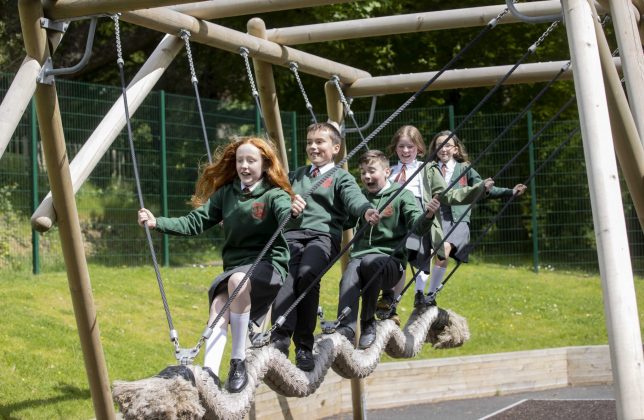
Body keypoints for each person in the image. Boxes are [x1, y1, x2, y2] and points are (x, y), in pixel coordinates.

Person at [137, 136, 298, 393]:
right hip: (237, 268)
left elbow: (286, 218)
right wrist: (158, 223)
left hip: (269, 266)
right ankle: (210, 375)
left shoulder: (274, 195)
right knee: (218, 306)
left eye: (251, 161)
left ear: (266, 165)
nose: (244, 166)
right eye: (239, 161)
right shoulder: (227, 194)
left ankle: (238, 362)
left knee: (237, 282)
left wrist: (293, 212)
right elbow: (194, 222)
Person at [270, 121, 380, 371]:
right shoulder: (296, 176)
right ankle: (279, 338)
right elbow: (274, 198)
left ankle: (304, 346)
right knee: (285, 278)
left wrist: (366, 211)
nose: (313, 147)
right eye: (309, 142)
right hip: (292, 235)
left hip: (322, 237)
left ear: (336, 148)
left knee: (308, 275)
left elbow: (354, 198)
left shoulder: (340, 176)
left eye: (319, 142)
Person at [379, 125, 494, 312]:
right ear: (395, 148)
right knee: (390, 260)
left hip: (415, 224)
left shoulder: (427, 170)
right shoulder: (388, 172)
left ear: (419, 148)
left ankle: (400, 297)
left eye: (410, 146)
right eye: (401, 147)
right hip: (391, 224)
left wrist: (478, 189)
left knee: (407, 255)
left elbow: (447, 195)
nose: (406, 151)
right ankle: (389, 301)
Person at [335, 150, 440, 349]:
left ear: (386, 172)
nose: (366, 176)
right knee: (349, 273)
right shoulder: (360, 198)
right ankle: (346, 329)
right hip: (361, 256)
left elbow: (416, 224)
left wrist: (427, 216)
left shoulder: (402, 195)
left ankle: (367, 323)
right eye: (363, 172)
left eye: (371, 171)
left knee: (370, 262)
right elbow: (342, 220)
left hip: (390, 262)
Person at [426, 130, 527, 298]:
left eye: (447, 145)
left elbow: (483, 188)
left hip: (457, 220)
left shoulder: (465, 169)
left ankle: (431, 294)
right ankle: (419, 293)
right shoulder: (430, 169)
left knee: (443, 250)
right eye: (439, 146)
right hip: (436, 217)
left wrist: (510, 191)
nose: (443, 149)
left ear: (456, 149)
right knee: (425, 252)